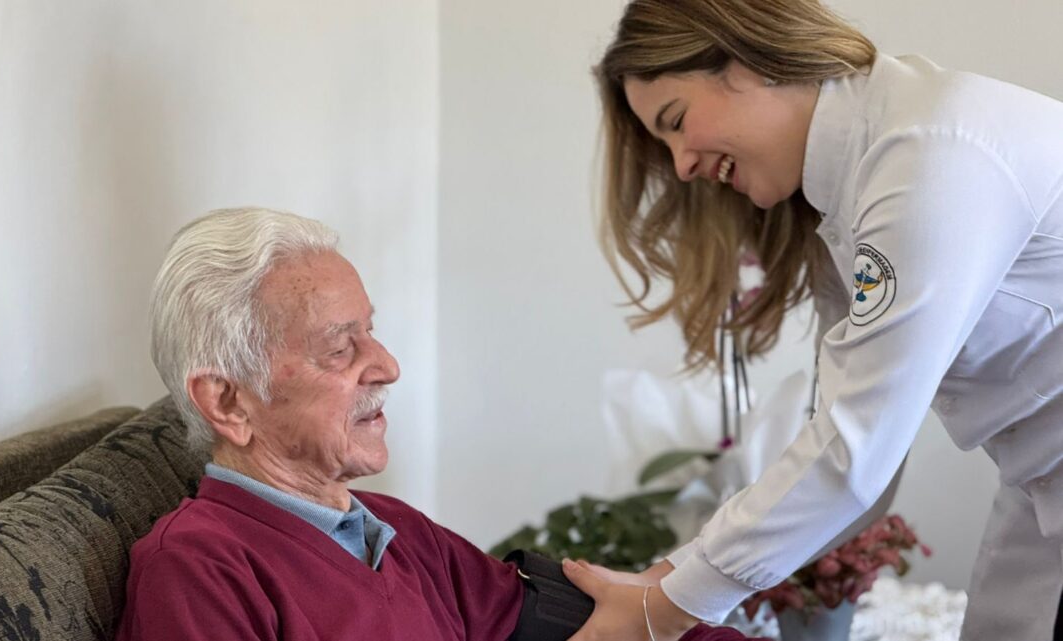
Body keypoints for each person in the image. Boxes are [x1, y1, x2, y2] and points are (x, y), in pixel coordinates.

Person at [560, 1, 1063, 640]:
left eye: (677, 121)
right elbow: (850, 446)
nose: (682, 164)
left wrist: (663, 612)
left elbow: (858, 448)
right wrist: (668, 580)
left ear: (745, 59)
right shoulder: (861, 181)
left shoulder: (928, 154)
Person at [116, 207, 762, 641]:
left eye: (371, 331)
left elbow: (576, 618)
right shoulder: (197, 569)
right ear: (227, 402)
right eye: (340, 347)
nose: (388, 365)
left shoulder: (396, 533)